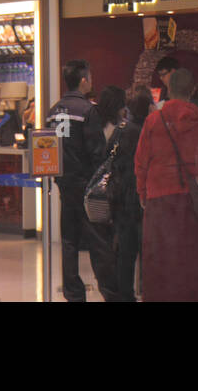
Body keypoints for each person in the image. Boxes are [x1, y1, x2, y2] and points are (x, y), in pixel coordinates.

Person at [135, 66, 198, 301]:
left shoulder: (153, 120)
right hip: (194, 195)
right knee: (191, 253)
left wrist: (142, 191)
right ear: (194, 90)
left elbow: (141, 161)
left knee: (159, 255)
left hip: (159, 193)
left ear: (168, 88)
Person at [46, 60, 118, 302]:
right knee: (98, 241)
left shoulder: (53, 111)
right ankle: (109, 291)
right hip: (86, 186)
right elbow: (97, 151)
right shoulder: (88, 110)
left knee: (69, 241)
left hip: (64, 185)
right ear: (84, 80)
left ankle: (73, 292)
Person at [107, 85, 148, 301]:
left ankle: (125, 294)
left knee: (125, 251)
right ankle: (146, 290)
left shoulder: (121, 130)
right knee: (147, 250)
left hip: (121, 196)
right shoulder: (150, 131)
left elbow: (107, 157)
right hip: (142, 197)